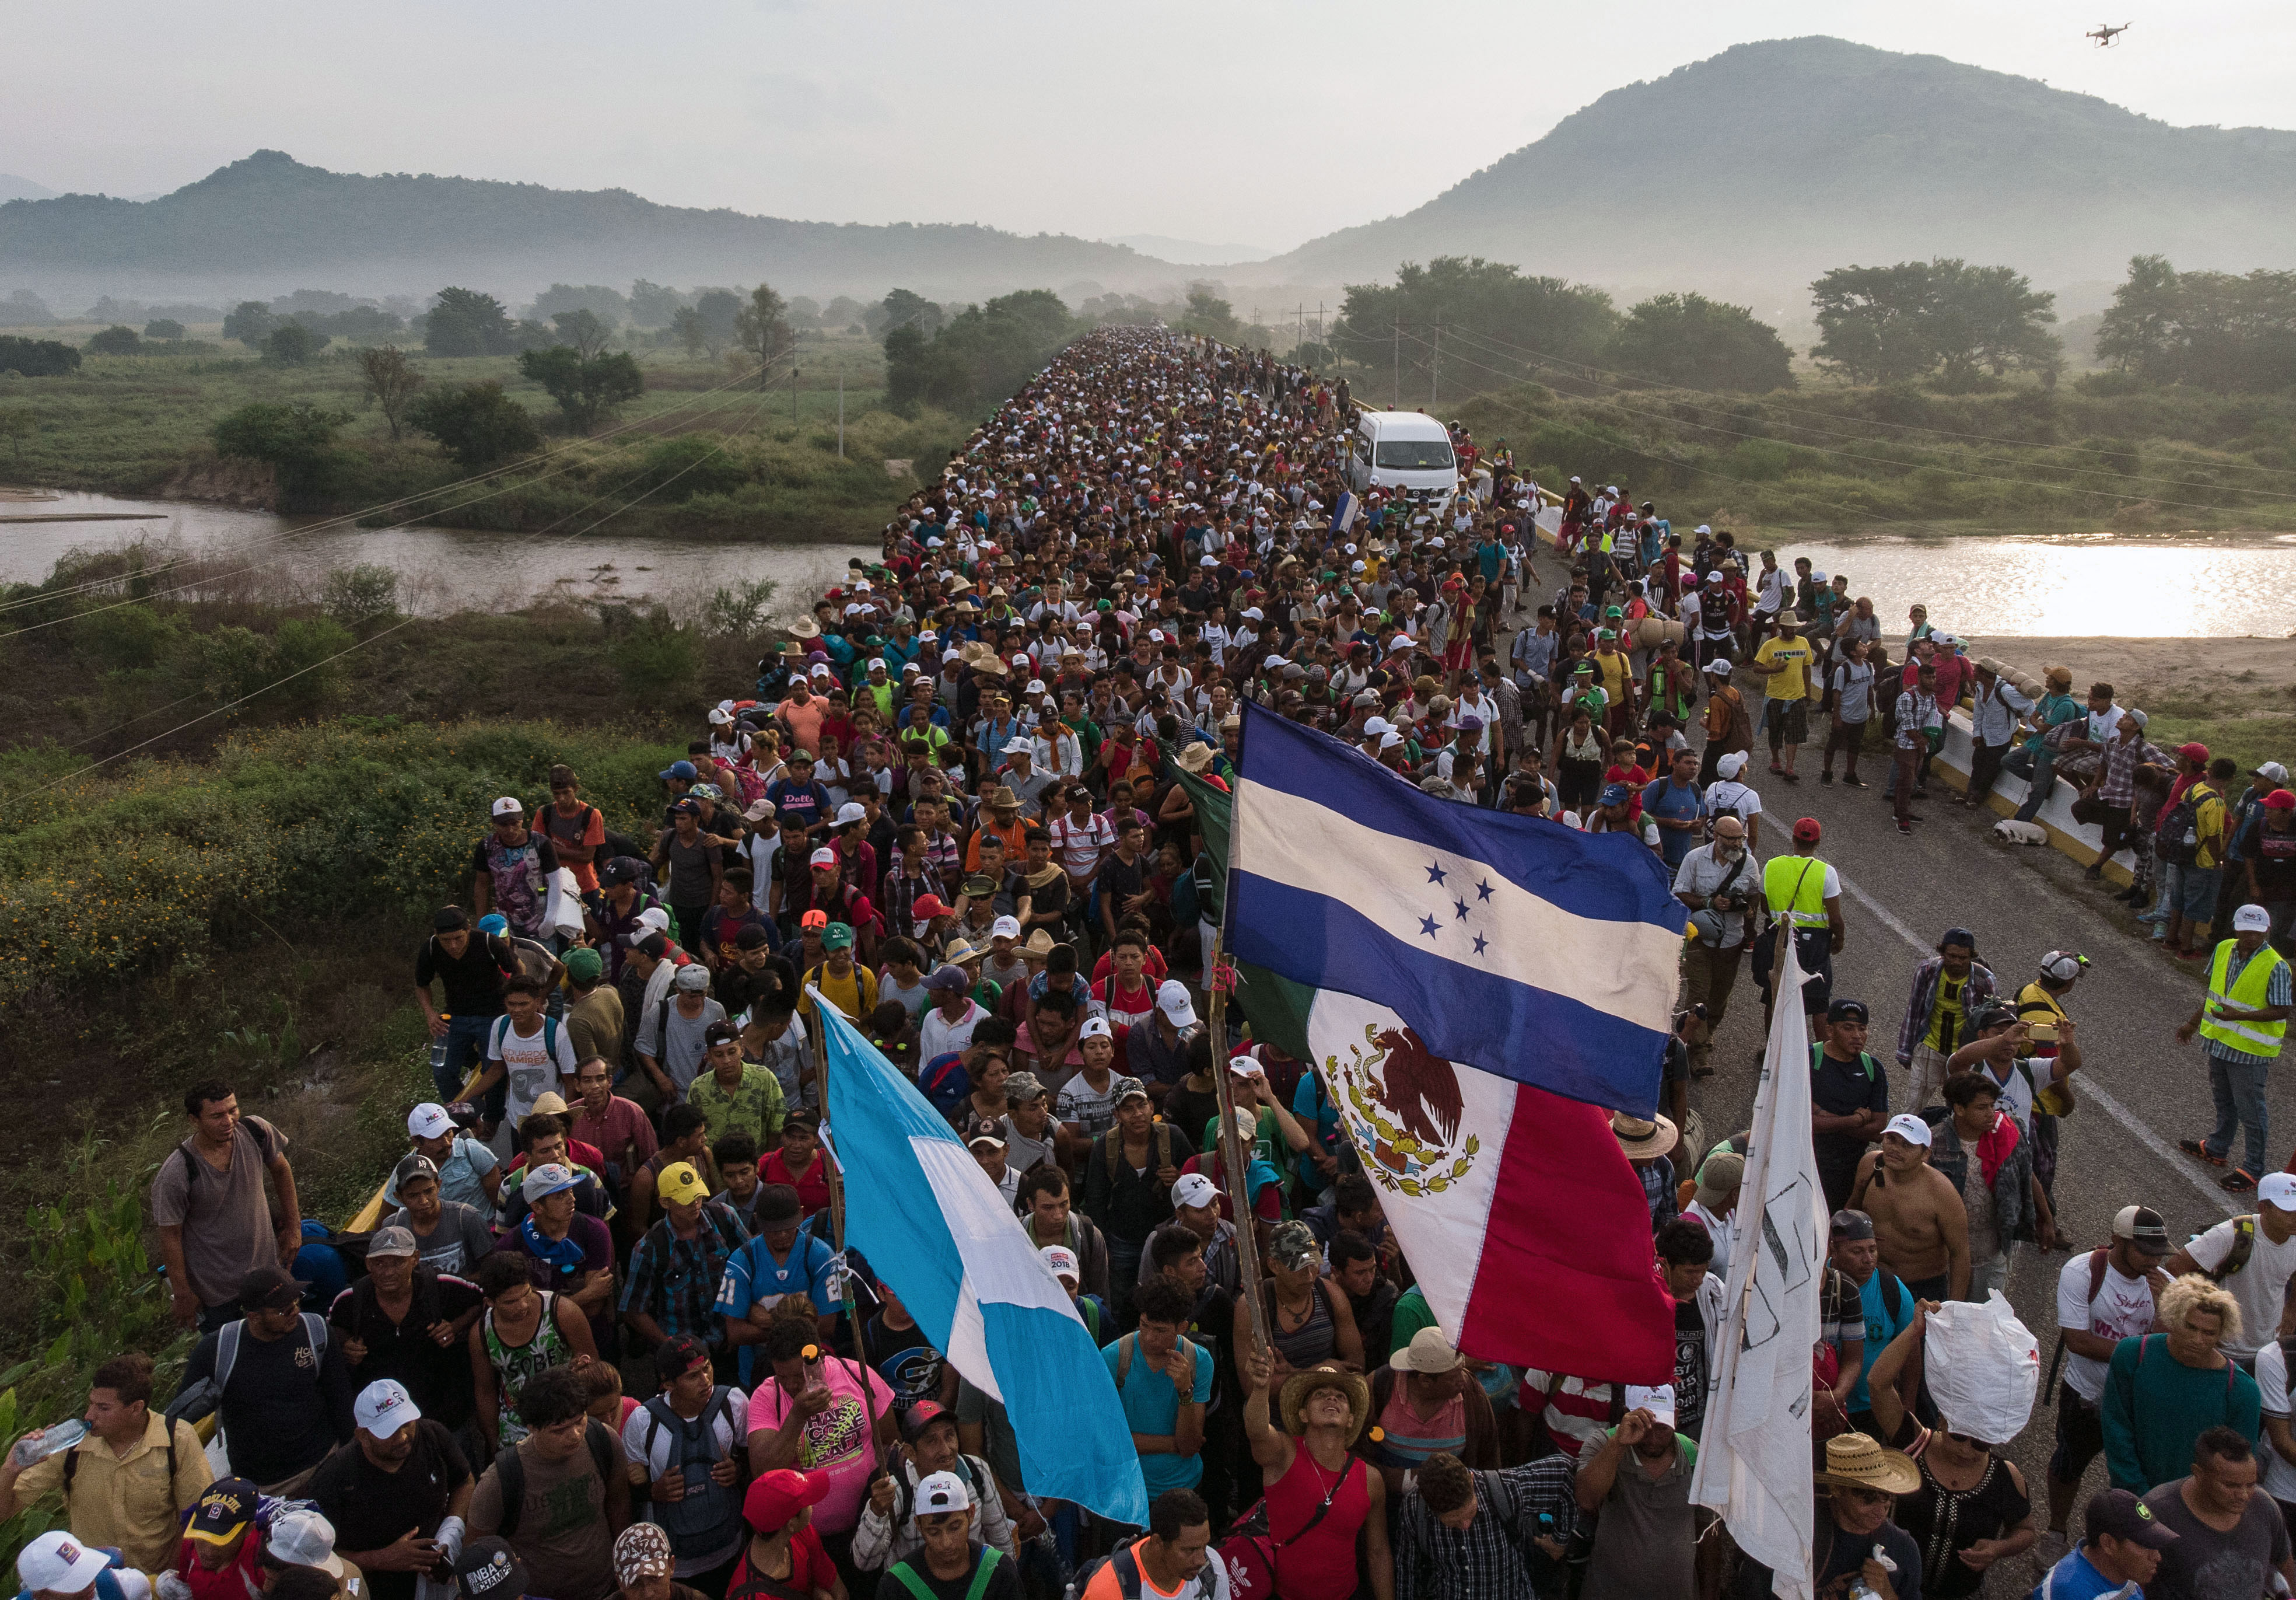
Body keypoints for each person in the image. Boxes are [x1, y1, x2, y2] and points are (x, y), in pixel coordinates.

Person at [1857, 1303, 2037, 1596]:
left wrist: (1999, 1549)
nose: (1967, 1450)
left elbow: (2026, 1530)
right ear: (1941, 1419)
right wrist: (1914, 1332)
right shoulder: (1912, 1443)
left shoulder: (2006, 1477)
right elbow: (1878, 1384)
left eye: (1981, 1443)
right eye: (1958, 1437)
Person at [0, 1352, 212, 1578]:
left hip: (157, 1582)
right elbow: (5, 1512)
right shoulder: (70, 1445)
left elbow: (197, 1516)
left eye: (103, 1408)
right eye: (91, 1403)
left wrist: (170, 1577)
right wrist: (9, 1470)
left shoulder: (177, 1438)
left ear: (135, 1408)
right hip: (94, 1585)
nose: (90, 1415)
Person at [2040, 1207, 2173, 1566]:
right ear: (2118, 1241)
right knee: (2069, 1463)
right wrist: (2139, 1351)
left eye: (2160, 1251)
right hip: (2085, 1394)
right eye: (2146, 1250)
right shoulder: (2082, 1272)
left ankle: (2130, 1544)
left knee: (2134, 1478)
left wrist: (2163, 1312)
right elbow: (2078, 1341)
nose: (2155, 1259)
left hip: (2137, 1401)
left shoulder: (2165, 1287)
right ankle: (2056, 1531)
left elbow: (2171, 1351)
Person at [743, 1316, 898, 1584]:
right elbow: (763, 1471)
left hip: (871, 1524)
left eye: (798, 1376)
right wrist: (797, 1415)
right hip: (806, 1538)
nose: (791, 1385)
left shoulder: (856, 1374)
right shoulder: (767, 1396)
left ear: (821, 1358)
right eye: (782, 1377)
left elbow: (892, 1443)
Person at [177, 1266, 354, 1493]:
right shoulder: (217, 1350)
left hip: (325, 1465)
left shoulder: (316, 1332)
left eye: (296, 1302)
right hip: (263, 1486)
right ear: (254, 1317)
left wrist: (350, 1465)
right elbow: (180, 1419)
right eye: (283, 1310)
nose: (295, 1312)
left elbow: (341, 1399)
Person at [468, 1364, 633, 1600]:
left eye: (580, 1421)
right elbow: (477, 1551)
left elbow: (619, 1505)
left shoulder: (604, 1440)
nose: (576, 1434)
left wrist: (624, 1566)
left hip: (606, 1589)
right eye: (560, 1430)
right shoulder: (501, 1479)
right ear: (532, 1428)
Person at [1238, 1346, 1390, 1600]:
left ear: (1351, 1420)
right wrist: (1261, 1388)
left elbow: (1378, 1552)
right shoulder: (1283, 1454)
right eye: (1320, 1394)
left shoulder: (1371, 1479)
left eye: (1341, 1397)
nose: (1332, 1399)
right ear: (1303, 1414)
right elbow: (1257, 1431)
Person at [150, 1079, 301, 1331]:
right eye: (217, 1116)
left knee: (285, 1338)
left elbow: (282, 1170)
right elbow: (170, 1235)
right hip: (219, 1294)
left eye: (233, 1110)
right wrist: (183, 1293)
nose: (229, 1121)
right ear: (194, 1121)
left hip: (269, 1274)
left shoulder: (255, 1131)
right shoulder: (178, 1172)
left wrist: (294, 1228)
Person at [306, 1380, 475, 1600]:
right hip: (372, 1588)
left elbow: (464, 1481)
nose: (403, 1437)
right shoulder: (334, 1478)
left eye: (407, 1424)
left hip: (439, 1581)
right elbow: (316, 1556)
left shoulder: (433, 1435)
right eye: (390, 1431)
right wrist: (382, 1559)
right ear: (363, 1436)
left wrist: (451, 1532)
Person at [2101, 1274, 2262, 1493]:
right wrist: (2136, 1489)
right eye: (2190, 1327)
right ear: (2174, 1318)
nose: (2198, 1339)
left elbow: (2238, 1463)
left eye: (2209, 1333)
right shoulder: (2132, 1355)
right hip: (2132, 1495)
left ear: (2221, 1334)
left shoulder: (2242, 1390)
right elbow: (2116, 1427)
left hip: (2198, 1505)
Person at [2175, 904, 2291, 1193]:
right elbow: (2215, 992)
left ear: (2267, 931)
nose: (2249, 936)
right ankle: (2217, 1147)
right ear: (2235, 928)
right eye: (2245, 930)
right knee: (2224, 1101)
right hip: (2220, 1042)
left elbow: (2282, 1011)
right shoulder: (2225, 948)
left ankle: (2253, 1169)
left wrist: (2237, 1016)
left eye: (2256, 932)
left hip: (2249, 1052)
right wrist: (2192, 1022)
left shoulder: (2277, 966)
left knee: (2252, 1112)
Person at [620, 1335, 750, 1591]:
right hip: (675, 1568)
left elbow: (753, 1463)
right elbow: (626, 1490)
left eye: (707, 1368)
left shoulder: (733, 1403)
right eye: (693, 1376)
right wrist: (654, 1491)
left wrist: (739, 1470)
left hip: (731, 1552)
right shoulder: (642, 1422)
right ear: (668, 1383)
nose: (706, 1381)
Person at [327, 1226, 485, 1434]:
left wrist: (455, 1327)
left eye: (398, 1262)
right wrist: (347, 1345)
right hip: (385, 1422)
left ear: (415, 1259)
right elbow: (329, 1328)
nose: (388, 1272)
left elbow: (481, 1301)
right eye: (379, 1263)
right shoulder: (350, 1301)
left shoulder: (441, 1287)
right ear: (368, 1264)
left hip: (444, 1414)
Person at [850, 1402, 1015, 1578]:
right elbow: (865, 1563)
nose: (946, 1451)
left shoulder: (977, 1471)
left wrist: (1005, 1583)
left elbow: (1001, 1540)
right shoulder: (895, 1490)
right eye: (932, 1441)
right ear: (911, 1453)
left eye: (950, 1436)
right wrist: (877, 1511)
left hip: (973, 1587)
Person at [620, 1164, 750, 1374]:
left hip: (728, 1343)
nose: (695, 1204)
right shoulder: (650, 1247)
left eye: (698, 1196)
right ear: (665, 1202)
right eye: (686, 1200)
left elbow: (751, 1269)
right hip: (682, 1355)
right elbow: (634, 1311)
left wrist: (738, 1328)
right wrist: (671, 1347)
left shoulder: (725, 1217)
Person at [2141, 1427, 2295, 1600]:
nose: (2244, 1495)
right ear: (2198, 1474)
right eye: (2231, 1486)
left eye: (2251, 1484)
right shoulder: (2158, 1512)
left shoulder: (2264, 1506)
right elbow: (2132, 1583)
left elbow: (2286, 1566)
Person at [1391, 1449, 1567, 1600]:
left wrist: (1560, 1540)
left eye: (1469, 1513)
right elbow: (1406, 1569)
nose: (1466, 1525)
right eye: (1454, 1522)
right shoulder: (1415, 1509)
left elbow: (1566, 1472)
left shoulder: (1508, 1489)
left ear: (1472, 1480)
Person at [1574, 1386, 1697, 1600]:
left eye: (1662, 1428)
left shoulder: (1694, 1455)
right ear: (1626, 1414)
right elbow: (1586, 1499)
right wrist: (1618, 1445)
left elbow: (1711, 1534)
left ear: (1676, 1418)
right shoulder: (1603, 1444)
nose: (1653, 1439)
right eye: (1644, 1426)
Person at [470, 1250, 598, 1455]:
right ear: (490, 1302)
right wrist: (493, 1440)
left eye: (526, 1295)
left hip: (567, 1418)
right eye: (510, 1302)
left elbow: (594, 1369)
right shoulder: (481, 1335)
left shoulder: (563, 1312)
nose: (522, 1306)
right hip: (517, 1429)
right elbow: (485, 1391)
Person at [2164, 1172, 2296, 1369]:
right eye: (2288, 1212)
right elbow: (2176, 1266)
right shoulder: (2231, 1234)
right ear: (2263, 1208)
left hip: (2268, 1350)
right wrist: (2198, 1323)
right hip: (2222, 1351)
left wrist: (2291, 1311)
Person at [717, 1187, 840, 1387]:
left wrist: (767, 1320)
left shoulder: (821, 1255)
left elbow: (827, 1326)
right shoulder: (742, 1260)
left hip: (810, 1373)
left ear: (801, 1214)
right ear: (757, 1220)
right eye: (774, 1229)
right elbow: (736, 1332)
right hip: (758, 1373)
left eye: (788, 1226)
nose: (782, 1235)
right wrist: (800, 1323)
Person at [1104, 1279, 1212, 1503]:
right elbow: (1111, 1440)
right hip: (1126, 1491)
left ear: (1182, 1328)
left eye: (1161, 1330)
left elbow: (1190, 1446)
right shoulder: (1114, 1357)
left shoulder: (1198, 1361)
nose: (1150, 1337)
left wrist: (1185, 1391)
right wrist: (1172, 1444)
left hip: (1183, 1488)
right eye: (1144, 1325)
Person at [1673, 814, 1755, 1079]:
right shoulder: (1695, 859)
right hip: (1699, 940)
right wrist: (1709, 903)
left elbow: (1754, 896)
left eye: (1740, 838)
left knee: (1719, 999)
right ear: (1717, 837)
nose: (1736, 844)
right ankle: (1696, 1052)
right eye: (1731, 839)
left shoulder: (1749, 863)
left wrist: (1749, 909)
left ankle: (1705, 1035)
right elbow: (1680, 893)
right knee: (1699, 994)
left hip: (1732, 941)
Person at [870, 1470, 1018, 1600]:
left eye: (955, 1528)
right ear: (919, 1525)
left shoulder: (999, 1571)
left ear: (971, 1514)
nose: (946, 1543)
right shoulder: (896, 1585)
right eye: (934, 1532)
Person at [1895, 930, 1995, 1113]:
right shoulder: (1927, 971)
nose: (1957, 962)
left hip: (1965, 1055)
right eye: (1952, 956)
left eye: (1963, 958)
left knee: (1962, 1109)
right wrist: (1906, 1050)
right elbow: (1914, 1011)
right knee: (1913, 1108)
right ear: (1942, 953)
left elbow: (1990, 1023)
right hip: (1930, 1046)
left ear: (1971, 956)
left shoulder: (1985, 980)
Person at [1759, 816, 1843, 1027]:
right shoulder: (1826, 872)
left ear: (1793, 838)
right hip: (1814, 944)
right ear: (1818, 842)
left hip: (1779, 937)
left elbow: (1764, 907)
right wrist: (1838, 940)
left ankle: (1772, 1052)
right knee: (1819, 1002)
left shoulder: (1772, 866)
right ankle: (1820, 1057)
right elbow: (1836, 919)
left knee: (1774, 996)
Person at [1812, 1000, 1890, 1214]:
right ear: (1830, 1030)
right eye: (1848, 1028)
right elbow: (1801, 1121)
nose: (1857, 1035)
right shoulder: (1810, 1059)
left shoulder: (1873, 1068)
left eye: (1862, 1028)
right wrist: (1854, 1120)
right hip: (1809, 1164)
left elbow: (1878, 1131)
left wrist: (1827, 1119)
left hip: (1851, 1169)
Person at [1076, 1488, 1225, 1600]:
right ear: (1158, 1543)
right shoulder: (1108, 1591)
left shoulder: (1212, 1569)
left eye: (1204, 1546)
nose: (1201, 1560)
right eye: (1189, 1550)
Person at [724, 1469, 842, 1600]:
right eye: (806, 1503)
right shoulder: (753, 1597)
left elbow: (840, 1593)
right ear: (791, 1524)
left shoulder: (803, 1532)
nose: (812, 1506)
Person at [14, 1529, 155, 1600]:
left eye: (86, 1569)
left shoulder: (125, 1586)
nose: (90, 1584)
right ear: (40, 1595)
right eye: (74, 1582)